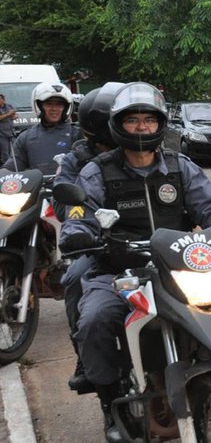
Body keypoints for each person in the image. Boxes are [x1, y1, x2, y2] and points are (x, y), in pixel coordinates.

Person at [59, 82, 211, 443]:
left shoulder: (179, 166)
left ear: (160, 124)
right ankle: (109, 405)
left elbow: (208, 207)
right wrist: (77, 230)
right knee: (94, 319)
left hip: (179, 266)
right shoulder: (97, 171)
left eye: (148, 120)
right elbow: (80, 212)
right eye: (133, 120)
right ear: (119, 125)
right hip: (119, 269)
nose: (141, 127)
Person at [54, 82, 122, 395]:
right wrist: (80, 226)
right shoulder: (76, 160)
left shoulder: (154, 151)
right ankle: (85, 356)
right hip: (96, 242)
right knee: (74, 279)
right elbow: (66, 203)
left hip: (150, 238)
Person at [3, 82, 78, 174]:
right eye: (49, 104)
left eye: (59, 104)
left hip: (71, 186)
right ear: (39, 106)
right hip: (38, 187)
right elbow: (12, 167)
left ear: (65, 108)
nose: (54, 108)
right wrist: (3, 174)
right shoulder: (26, 137)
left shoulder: (77, 133)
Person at [0, 93, 16, 164]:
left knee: (14, 151)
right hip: (2, 134)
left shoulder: (9, 106)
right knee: (5, 153)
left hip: (11, 132)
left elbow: (15, 116)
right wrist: (8, 114)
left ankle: (13, 166)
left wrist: (14, 116)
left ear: (3, 100)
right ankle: (5, 168)